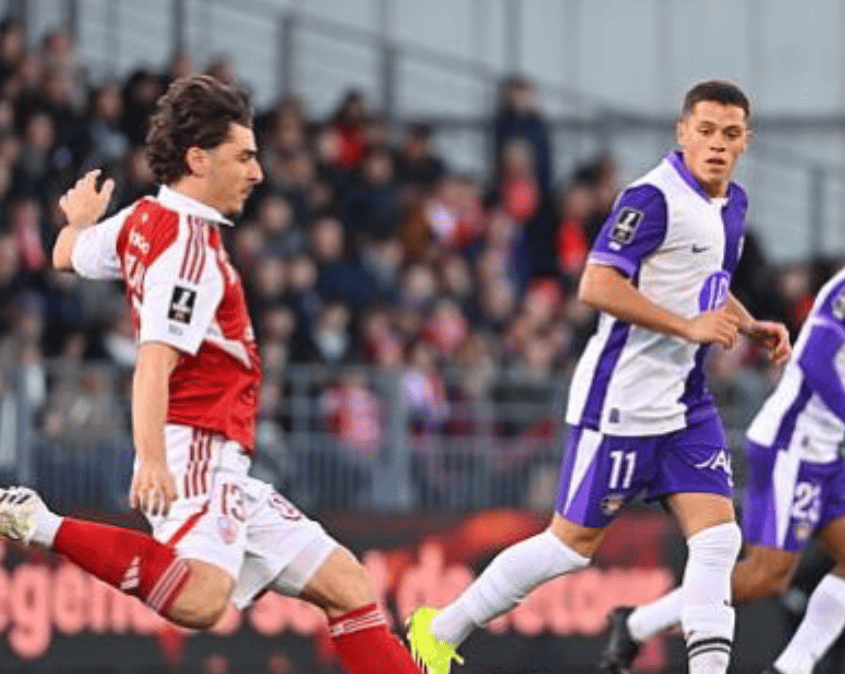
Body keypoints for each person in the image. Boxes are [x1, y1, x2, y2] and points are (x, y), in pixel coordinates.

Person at [0, 75, 423, 674]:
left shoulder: (141, 220)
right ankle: (35, 521)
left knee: (347, 584)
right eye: (244, 157)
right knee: (201, 600)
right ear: (199, 160)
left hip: (222, 455)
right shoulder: (189, 254)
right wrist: (150, 459)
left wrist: (78, 221)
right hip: (196, 448)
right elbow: (155, 360)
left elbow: (67, 255)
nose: (257, 173)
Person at [407, 80, 791, 674]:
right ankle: (441, 628)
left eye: (730, 134)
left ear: (746, 141)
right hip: (621, 403)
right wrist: (687, 328)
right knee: (569, 547)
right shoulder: (652, 197)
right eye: (706, 130)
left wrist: (748, 323)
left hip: (686, 404)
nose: (717, 144)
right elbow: (597, 284)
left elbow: (702, 278)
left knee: (718, 540)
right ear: (682, 132)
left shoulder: (732, 203)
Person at [601, 200, 845, 674]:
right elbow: (815, 361)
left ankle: (789, 669)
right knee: (765, 577)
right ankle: (637, 623)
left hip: (825, 452)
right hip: (790, 444)